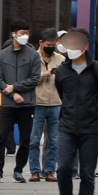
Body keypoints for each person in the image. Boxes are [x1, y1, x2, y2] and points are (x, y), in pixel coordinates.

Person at [52, 28, 98, 195]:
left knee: (87, 172)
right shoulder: (62, 71)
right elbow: (62, 94)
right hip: (67, 126)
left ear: (85, 46)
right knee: (64, 169)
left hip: (91, 128)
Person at [0, 20, 41, 183]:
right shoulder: (2, 54)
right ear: (13, 34)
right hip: (8, 103)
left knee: (25, 139)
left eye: (27, 32)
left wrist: (15, 87)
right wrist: (12, 93)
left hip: (27, 104)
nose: (25, 36)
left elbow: (35, 78)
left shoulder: (33, 54)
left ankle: (18, 170)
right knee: (1, 137)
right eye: (22, 33)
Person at [29, 28, 64, 182]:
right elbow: (27, 80)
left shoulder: (61, 60)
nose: (51, 47)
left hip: (56, 103)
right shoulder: (32, 58)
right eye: (48, 44)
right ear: (41, 43)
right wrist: (42, 76)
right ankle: (35, 170)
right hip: (38, 102)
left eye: (54, 44)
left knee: (54, 140)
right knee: (34, 139)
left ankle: (50, 170)